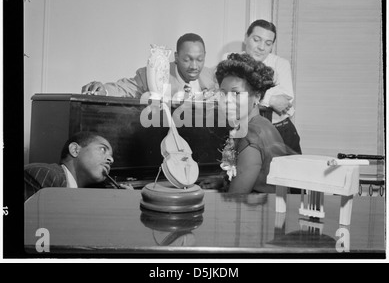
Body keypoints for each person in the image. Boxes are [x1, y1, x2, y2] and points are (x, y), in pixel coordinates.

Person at [201, 53, 293, 194]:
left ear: (256, 96)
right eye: (223, 93)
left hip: (258, 212)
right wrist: (223, 181)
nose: (226, 100)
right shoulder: (261, 123)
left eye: (236, 94)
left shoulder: (251, 135)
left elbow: (235, 199)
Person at [226, 19, 302, 154]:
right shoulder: (232, 63)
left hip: (281, 130)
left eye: (268, 43)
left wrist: (249, 94)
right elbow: (232, 98)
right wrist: (271, 100)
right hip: (244, 130)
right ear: (246, 38)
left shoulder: (281, 64)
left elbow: (285, 102)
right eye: (256, 40)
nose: (261, 47)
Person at [81, 33, 217, 100]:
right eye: (187, 60)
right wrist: (103, 90)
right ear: (176, 57)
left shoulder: (212, 78)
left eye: (200, 59)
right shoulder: (156, 73)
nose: (194, 66)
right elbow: (125, 88)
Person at [24, 131, 130, 202]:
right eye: (103, 149)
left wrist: (124, 201)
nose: (111, 160)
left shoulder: (89, 196)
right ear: (75, 150)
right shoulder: (43, 175)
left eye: (111, 156)